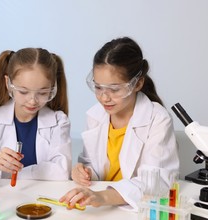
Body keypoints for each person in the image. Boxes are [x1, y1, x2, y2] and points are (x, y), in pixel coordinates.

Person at [60, 37, 179, 211]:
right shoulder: (96, 115)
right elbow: (94, 165)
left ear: (137, 83)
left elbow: (157, 182)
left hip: (134, 213)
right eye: (98, 87)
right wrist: (83, 172)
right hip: (100, 207)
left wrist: (102, 197)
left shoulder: (158, 119)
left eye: (114, 89)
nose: (104, 97)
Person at [0, 47, 71, 182]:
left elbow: (61, 172)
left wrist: (14, 174)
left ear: (53, 87)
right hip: (6, 196)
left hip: (42, 197)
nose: (33, 101)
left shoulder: (59, 121)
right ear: (8, 84)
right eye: (23, 92)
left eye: (43, 92)